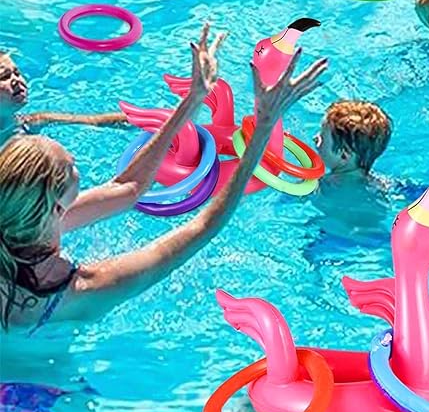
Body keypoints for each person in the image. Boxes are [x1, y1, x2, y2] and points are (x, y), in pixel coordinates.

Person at [0, 24, 328, 333]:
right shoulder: (89, 289)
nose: (77, 168)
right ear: (57, 208)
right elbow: (203, 227)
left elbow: (126, 187)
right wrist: (264, 126)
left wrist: (194, 98)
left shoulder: (14, 221)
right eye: (71, 168)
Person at [308, 100, 394, 252]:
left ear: (343, 155)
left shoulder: (322, 185)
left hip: (336, 238)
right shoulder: (381, 183)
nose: (315, 138)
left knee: (310, 251)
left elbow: (291, 196)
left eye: (322, 137)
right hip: (376, 237)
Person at [0, 50, 127, 147]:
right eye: (4, 77)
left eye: (17, 73)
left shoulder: (31, 122)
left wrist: (134, 118)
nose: (16, 80)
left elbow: (94, 121)